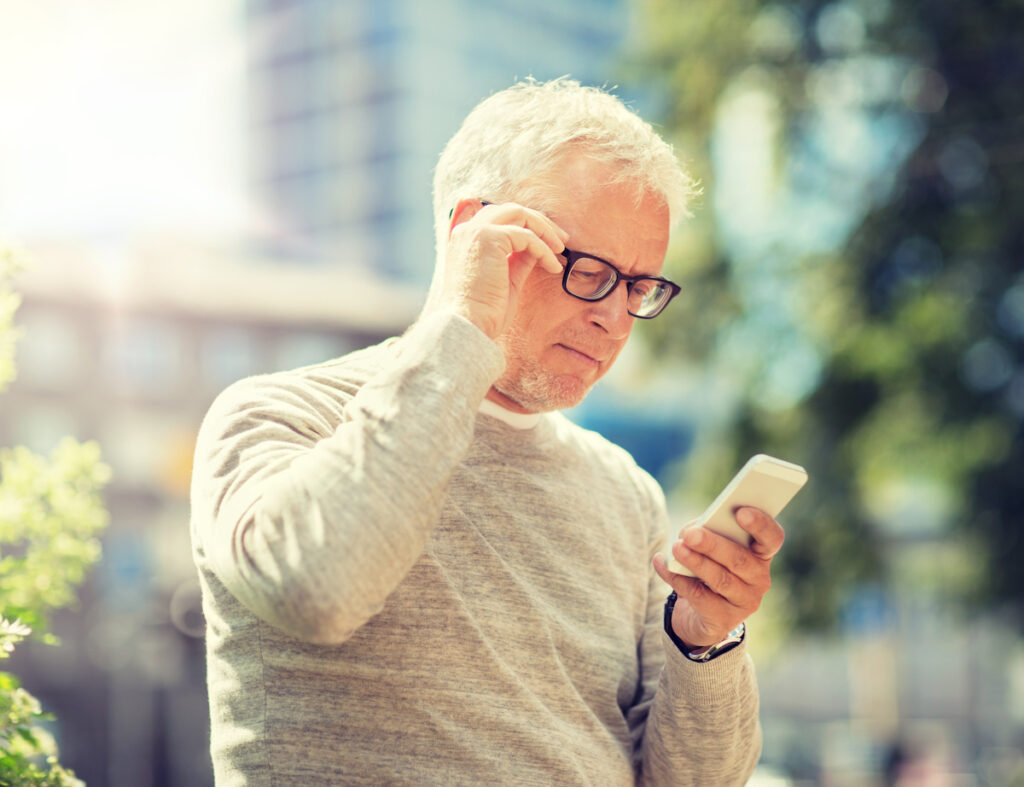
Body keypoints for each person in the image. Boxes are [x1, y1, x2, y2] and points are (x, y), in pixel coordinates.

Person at [190, 77, 784, 785]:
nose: (615, 319)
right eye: (589, 271)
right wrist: (464, 326)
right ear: (472, 228)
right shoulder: (277, 414)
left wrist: (704, 641)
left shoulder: (627, 493)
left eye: (638, 287)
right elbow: (319, 590)